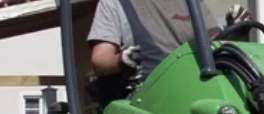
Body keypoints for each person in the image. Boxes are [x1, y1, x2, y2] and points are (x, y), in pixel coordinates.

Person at [87, 0, 252, 81]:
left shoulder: (192, 2)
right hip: (149, 93)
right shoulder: (114, 3)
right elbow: (99, 60)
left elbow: (212, 42)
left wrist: (233, 31)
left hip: (200, 82)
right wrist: (121, 61)